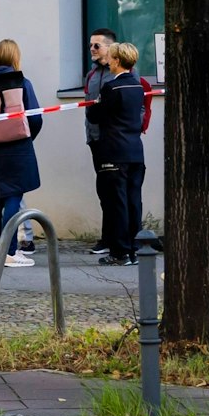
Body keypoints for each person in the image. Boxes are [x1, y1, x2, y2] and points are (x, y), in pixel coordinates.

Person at [0, 39, 45, 267]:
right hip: (17, 149)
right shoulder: (21, 82)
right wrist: (25, 138)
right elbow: (35, 118)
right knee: (14, 197)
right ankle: (11, 252)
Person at [88, 42, 147, 266]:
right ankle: (135, 247)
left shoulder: (111, 88)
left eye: (111, 58)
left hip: (114, 150)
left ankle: (120, 250)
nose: (109, 61)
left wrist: (94, 106)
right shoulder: (138, 86)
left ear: (118, 61)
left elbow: (95, 115)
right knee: (133, 200)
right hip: (135, 150)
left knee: (116, 201)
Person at [81, 27, 117, 254]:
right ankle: (107, 237)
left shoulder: (120, 72)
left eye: (97, 45)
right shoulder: (91, 74)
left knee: (116, 189)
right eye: (90, 45)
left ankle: (119, 238)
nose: (92, 49)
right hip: (96, 139)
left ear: (110, 47)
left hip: (114, 138)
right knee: (103, 189)